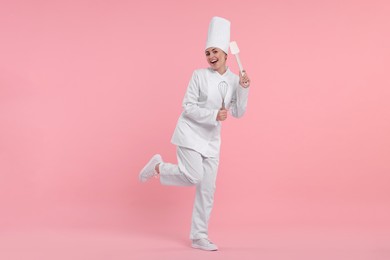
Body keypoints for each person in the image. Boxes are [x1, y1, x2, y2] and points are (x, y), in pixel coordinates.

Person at [139, 16, 251, 251]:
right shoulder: (198, 76)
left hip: (211, 141)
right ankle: (160, 167)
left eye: (215, 52)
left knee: (207, 190)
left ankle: (199, 236)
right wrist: (212, 115)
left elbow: (239, 112)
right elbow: (187, 106)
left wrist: (243, 88)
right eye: (207, 52)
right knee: (193, 176)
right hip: (190, 133)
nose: (211, 56)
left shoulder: (233, 79)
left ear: (225, 54)